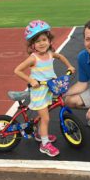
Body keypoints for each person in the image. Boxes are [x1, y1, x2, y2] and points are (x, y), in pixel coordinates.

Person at [14, 20, 75, 157]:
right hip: (39, 91)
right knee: (46, 118)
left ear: (49, 40)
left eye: (44, 39)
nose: (42, 43)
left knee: (44, 114)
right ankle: (44, 144)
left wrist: (69, 66)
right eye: (38, 41)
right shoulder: (33, 58)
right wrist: (31, 80)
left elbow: (61, 56)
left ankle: (40, 135)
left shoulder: (50, 54)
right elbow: (17, 70)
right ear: (33, 45)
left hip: (49, 88)